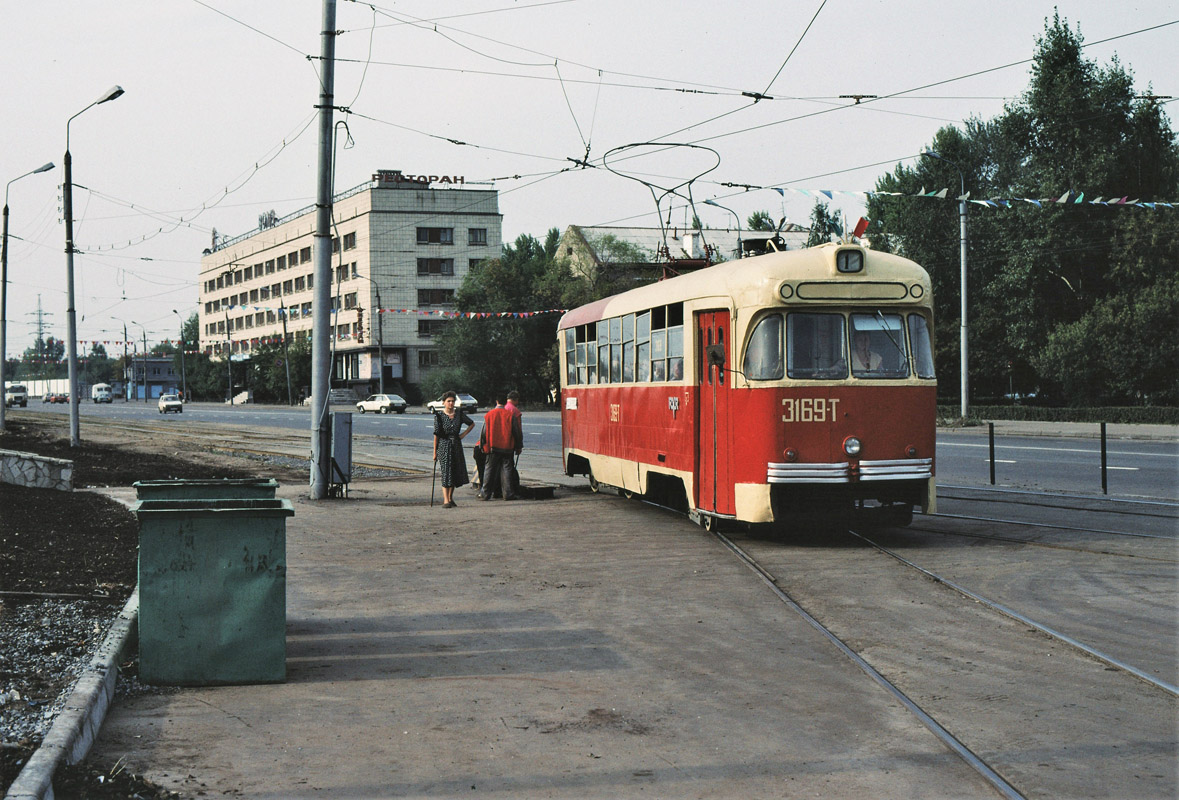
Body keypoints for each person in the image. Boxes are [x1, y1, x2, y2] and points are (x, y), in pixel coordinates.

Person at [432, 391, 475, 508]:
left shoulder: (459, 414)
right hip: (444, 446)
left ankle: (451, 498)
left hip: (456, 445)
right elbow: (436, 435)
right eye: (448, 401)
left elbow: (471, 424)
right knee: (446, 472)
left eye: (452, 401)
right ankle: (446, 500)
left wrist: (463, 435)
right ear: (444, 403)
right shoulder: (439, 416)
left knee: (455, 472)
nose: (451, 403)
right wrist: (434, 452)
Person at [477, 392, 522, 501]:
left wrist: (482, 445)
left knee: (489, 470)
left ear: (496, 401)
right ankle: (508, 494)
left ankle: (485, 494)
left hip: (493, 447)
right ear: (505, 401)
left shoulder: (489, 414)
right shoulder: (510, 415)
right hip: (507, 447)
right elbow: (516, 432)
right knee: (507, 470)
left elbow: (483, 432)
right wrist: (518, 446)